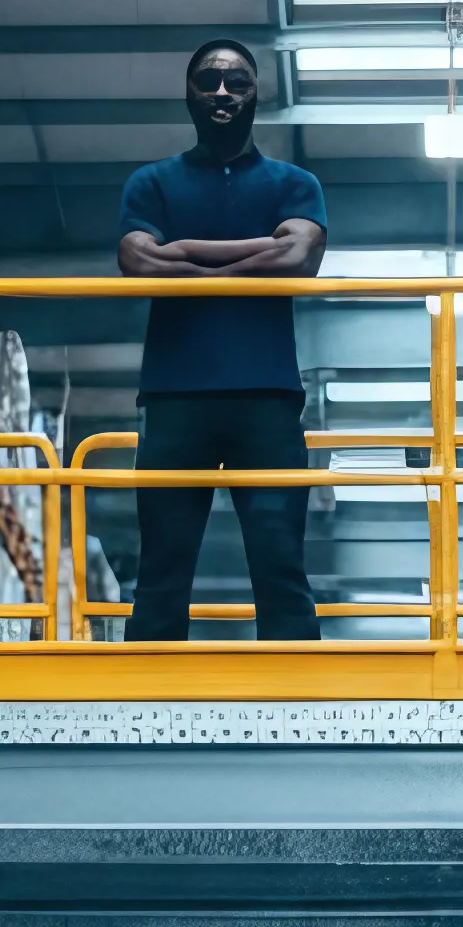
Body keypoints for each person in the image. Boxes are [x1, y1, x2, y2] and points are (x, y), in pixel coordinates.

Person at [116, 38, 326, 644]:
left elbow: (297, 257)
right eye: (209, 82)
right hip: (174, 397)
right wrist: (252, 253)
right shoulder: (152, 182)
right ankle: (144, 715)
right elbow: (139, 264)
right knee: (161, 567)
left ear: (256, 94)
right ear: (190, 94)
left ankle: (301, 711)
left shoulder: (294, 183)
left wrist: (188, 255)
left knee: (280, 563)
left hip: (268, 397)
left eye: (236, 83)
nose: (222, 93)